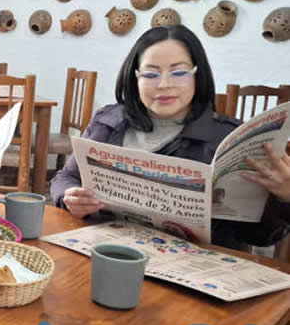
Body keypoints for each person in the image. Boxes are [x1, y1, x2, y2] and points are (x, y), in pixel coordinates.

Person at [50, 25, 290, 250]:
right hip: (109, 250)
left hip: (193, 267)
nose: (164, 84)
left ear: (197, 75)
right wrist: (69, 196)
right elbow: (66, 178)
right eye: (151, 74)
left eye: (179, 72)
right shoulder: (108, 122)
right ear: (135, 77)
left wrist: (285, 197)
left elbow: (258, 237)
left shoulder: (228, 139)